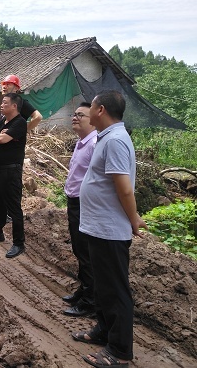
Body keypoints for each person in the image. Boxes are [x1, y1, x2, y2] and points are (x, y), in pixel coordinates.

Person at [71, 90, 148, 368]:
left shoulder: (115, 140)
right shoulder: (108, 138)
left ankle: (119, 351)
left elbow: (123, 187)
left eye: (90, 107)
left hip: (109, 229)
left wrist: (134, 218)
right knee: (103, 288)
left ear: (100, 110)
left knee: (115, 291)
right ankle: (104, 331)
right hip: (98, 227)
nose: (87, 112)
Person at [0, 74, 42, 235]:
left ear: (16, 88)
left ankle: (18, 240)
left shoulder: (20, 103)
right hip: (1, 162)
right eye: (3, 84)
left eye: (8, 84)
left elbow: (38, 117)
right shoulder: (5, 112)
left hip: (13, 159)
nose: (4, 86)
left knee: (13, 203)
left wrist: (21, 131)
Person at [62, 102, 98, 317]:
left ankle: (90, 302)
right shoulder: (81, 142)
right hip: (74, 201)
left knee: (85, 253)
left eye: (81, 115)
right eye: (74, 114)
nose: (75, 118)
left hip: (85, 204)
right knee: (79, 249)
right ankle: (84, 290)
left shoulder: (94, 143)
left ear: (93, 119)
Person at [0, 93, 27, 258]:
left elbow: (2, 139)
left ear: (14, 106)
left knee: (14, 207)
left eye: (4, 102)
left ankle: (18, 243)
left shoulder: (20, 122)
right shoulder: (3, 121)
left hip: (12, 170)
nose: (1, 105)